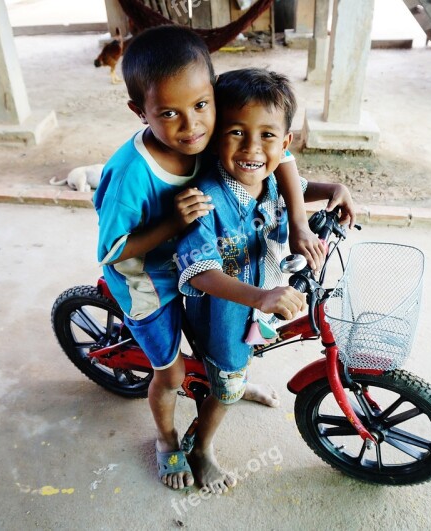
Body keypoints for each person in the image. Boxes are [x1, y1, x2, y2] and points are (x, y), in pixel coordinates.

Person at [93, 26, 333, 492]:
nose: (192, 126)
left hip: (205, 263)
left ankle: (228, 381)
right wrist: (171, 225)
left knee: (226, 337)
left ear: (213, 99)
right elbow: (111, 251)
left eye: (202, 107)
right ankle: (167, 440)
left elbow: (275, 153)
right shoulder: (131, 173)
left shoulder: (213, 139)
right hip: (149, 279)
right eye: (169, 113)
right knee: (173, 370)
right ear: (138, 111)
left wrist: (322, 196)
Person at [176, 68, 354, 493]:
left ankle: (237, 378)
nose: (252, 148)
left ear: (286, 142)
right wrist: (262, 296)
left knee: (249, 352)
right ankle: (201, 448)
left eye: (267, 136)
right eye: (237, 132)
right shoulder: (204, 199)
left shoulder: (270, 177)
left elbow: (297, 182)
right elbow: (201, 273)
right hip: (223, 311)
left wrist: (336, 187)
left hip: (261, 298)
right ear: (216, 132)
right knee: (225, 380)